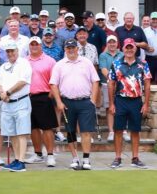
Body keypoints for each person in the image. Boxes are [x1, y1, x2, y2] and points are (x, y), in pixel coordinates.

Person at [50, 38, 100, 170]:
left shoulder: (87, 62)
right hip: (67, 102)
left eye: (73, 48)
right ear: (65, 49)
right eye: (68, 48)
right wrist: (59, 102)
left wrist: (93, 100)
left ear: (77, 49)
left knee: (86, 131)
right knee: (70, 132)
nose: (71, 50)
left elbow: (95, 81)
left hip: (85, 102)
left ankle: (86, 159)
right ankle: (75, 158)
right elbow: (53, 84)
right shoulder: (59, 64)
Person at [107, 39, 152, 168]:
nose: (129, 50)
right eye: (127, 47)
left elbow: (147, 85)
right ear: (123, 49)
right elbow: (111, 84)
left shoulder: (143, 64)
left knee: (135, 130)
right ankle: (117, 157)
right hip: (120, 100)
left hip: (136, 100)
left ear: (135, 49)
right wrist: (111, 104)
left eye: (131, 47)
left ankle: (135, 157)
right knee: (118, 130)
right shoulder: (116, 64)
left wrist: (146, 104)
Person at [0, 39, 33, 171]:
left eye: (12, 51)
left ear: (17, 51)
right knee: (12, 134)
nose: (10, 53)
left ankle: (22, 162)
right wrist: (1, 92)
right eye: (8, 51)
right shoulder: (3, 66)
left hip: (21, 101)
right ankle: (17, 159)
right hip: (7, 103)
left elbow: (22, 82)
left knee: (22, 133)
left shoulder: (24, 63)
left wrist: (8, 92)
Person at [25, 36, 59, 166]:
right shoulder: (24, 61)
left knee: (47, 128)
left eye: (36, 44)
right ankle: (38, 153)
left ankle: (50, 154)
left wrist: (51, 94)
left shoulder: (50, 61)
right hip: (28, 97)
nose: (34, 46)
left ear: (41, 46)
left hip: (44, 96)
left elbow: (55, 80)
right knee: (33, 127)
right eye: (32, 44)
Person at [97, 35, 122, 141]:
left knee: (121, 107)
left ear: (117, 43)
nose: (112, 44)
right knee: (109, 108)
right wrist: (112, 79)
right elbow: (103, 69)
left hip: (121, 83)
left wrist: (118, 80)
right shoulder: (103, 55)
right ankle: (111, 131)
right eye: (110, 42)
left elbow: (124, 68)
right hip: (107, 84)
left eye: (114, 42)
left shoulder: (122, 54)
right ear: (107, 44)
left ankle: (123, 130)